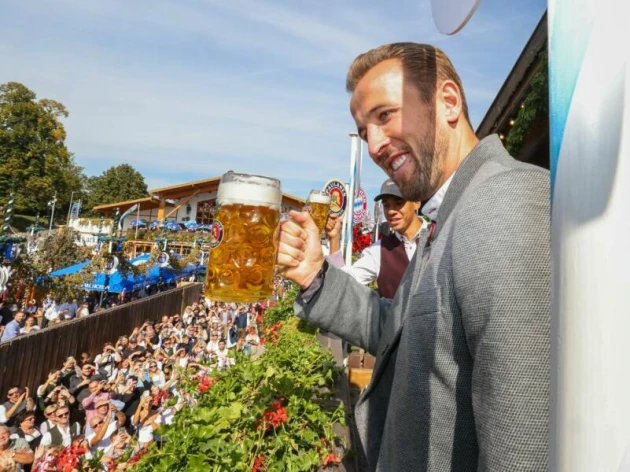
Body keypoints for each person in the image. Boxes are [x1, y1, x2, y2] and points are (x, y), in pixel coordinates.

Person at [277, 42, 550, 471]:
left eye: (385, 115)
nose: (374, 144)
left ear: (448, 102)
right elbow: (398, 330)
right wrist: (315, 274)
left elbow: (525, 439)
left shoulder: (504, 199)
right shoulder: (447, 214)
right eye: (365, 129)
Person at [326, 178, 424, 298]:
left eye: (399, 203)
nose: (391, 211)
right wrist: (334, 239)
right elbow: (343, 284)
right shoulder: (379, 250)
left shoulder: (440, 233)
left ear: (417, 202)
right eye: (386, 205)